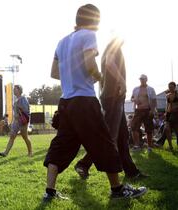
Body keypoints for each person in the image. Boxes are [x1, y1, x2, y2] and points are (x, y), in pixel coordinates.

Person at [42, 4, 146, 201]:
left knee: (61, 145)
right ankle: (117, 190)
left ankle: (50, 192)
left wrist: (72, 75)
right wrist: (98, 78)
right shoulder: (89, 35)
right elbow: (91, 64)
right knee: (104, 142)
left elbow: (54, 73)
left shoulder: (62, 41)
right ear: (94, 21)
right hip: (85, 101)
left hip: (66, 102)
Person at [74, 37, 147, 180]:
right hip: (113, 97)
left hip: (112, 97)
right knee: (109, 137)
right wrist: (122, 82)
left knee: (122, 137)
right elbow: (109, 63)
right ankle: (83, 164)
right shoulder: (114, 47)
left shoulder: (108, 48)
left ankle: (131, 171)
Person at [0, 85, 32, 157]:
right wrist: (13, 121)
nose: (14, 90)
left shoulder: (23, 99)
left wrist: (20, 111)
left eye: (15, 89)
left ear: (19, 90)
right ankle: (5, 153)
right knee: (12, 136)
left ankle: (30, 152)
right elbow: (15, 113)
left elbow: (26, 110)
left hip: (23, 121)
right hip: (16, 121)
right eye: (13, 89)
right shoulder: (16, 100)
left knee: (25, 137)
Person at [131, 74, 157, 152]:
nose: (141, 80)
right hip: (138, 110)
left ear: (146, 79)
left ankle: (149, 146)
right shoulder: (135, 89)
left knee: (148, 129)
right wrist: (135, 100)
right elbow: (132, 98)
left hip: (147, 110)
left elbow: (154, 100)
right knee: (134, 127)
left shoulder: (150, 89)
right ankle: (137, 145)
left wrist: (152, 110)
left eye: (143, 79)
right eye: (140, 79)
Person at [163, 82, 178, 150]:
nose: (170, 88)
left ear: (175, 87)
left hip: (176, 113)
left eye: (172, 87)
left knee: (176, 130)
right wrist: (165, 112)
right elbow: (167, 105)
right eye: (169, 87)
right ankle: (170, 146)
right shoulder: (167, 95)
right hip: (168, 114)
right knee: (166, 129)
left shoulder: (177, 94)